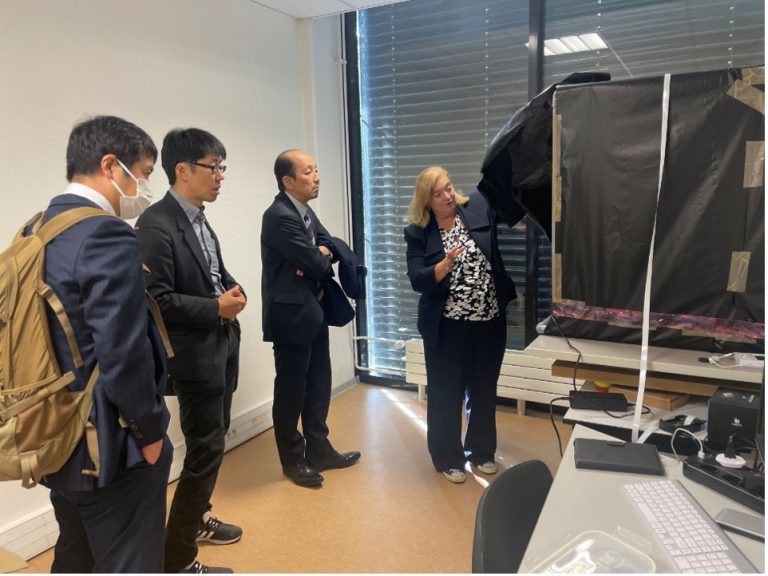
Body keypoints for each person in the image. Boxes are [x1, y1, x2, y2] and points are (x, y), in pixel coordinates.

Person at [39, 115, 172, 572]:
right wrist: (150, 435)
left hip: (57, 431)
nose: (144, 188)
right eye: (144, 174)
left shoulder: (39, 229)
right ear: (111, 165)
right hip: (109, 445)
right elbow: (123, 350)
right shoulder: (105, 232)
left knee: (75, 554)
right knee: (130, 560)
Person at [135, 128, 245, 574]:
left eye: (222, 167)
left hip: (221, 344)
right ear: (182, 170)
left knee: (212, 444)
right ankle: (177, 560)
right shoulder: (156, 224)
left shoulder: (198, 217)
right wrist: (216, 307)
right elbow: (156, 300)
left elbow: (210, 273)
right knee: (204, 452)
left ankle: (196, 519)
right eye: (212, 167)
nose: (220, 176)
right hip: (194, 356)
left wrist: (230, 289)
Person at [403, 166, 515, 484]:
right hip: (448, 327)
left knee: (483, 389)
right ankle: (448, 458)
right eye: (438, 194)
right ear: (427, 201)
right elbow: (417, 279)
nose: (447, 196)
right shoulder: (418, 232)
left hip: (489, 321)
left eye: (448, 188)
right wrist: (443, 266)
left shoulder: (476, 208)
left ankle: (481, 452)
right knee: (446, 393)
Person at [261, 149, 361, 488]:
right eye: (308, 172)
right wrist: (318, 256)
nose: (317, 177)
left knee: (319, 383)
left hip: (314, 310)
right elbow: (317, 263)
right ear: (288, 181)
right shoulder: (279, 215)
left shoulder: (304, 212)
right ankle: (292, 460)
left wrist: (322, 251)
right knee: (291, 389)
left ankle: (319, 450)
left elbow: (330, 246)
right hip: (290, 316)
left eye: (316, 170)